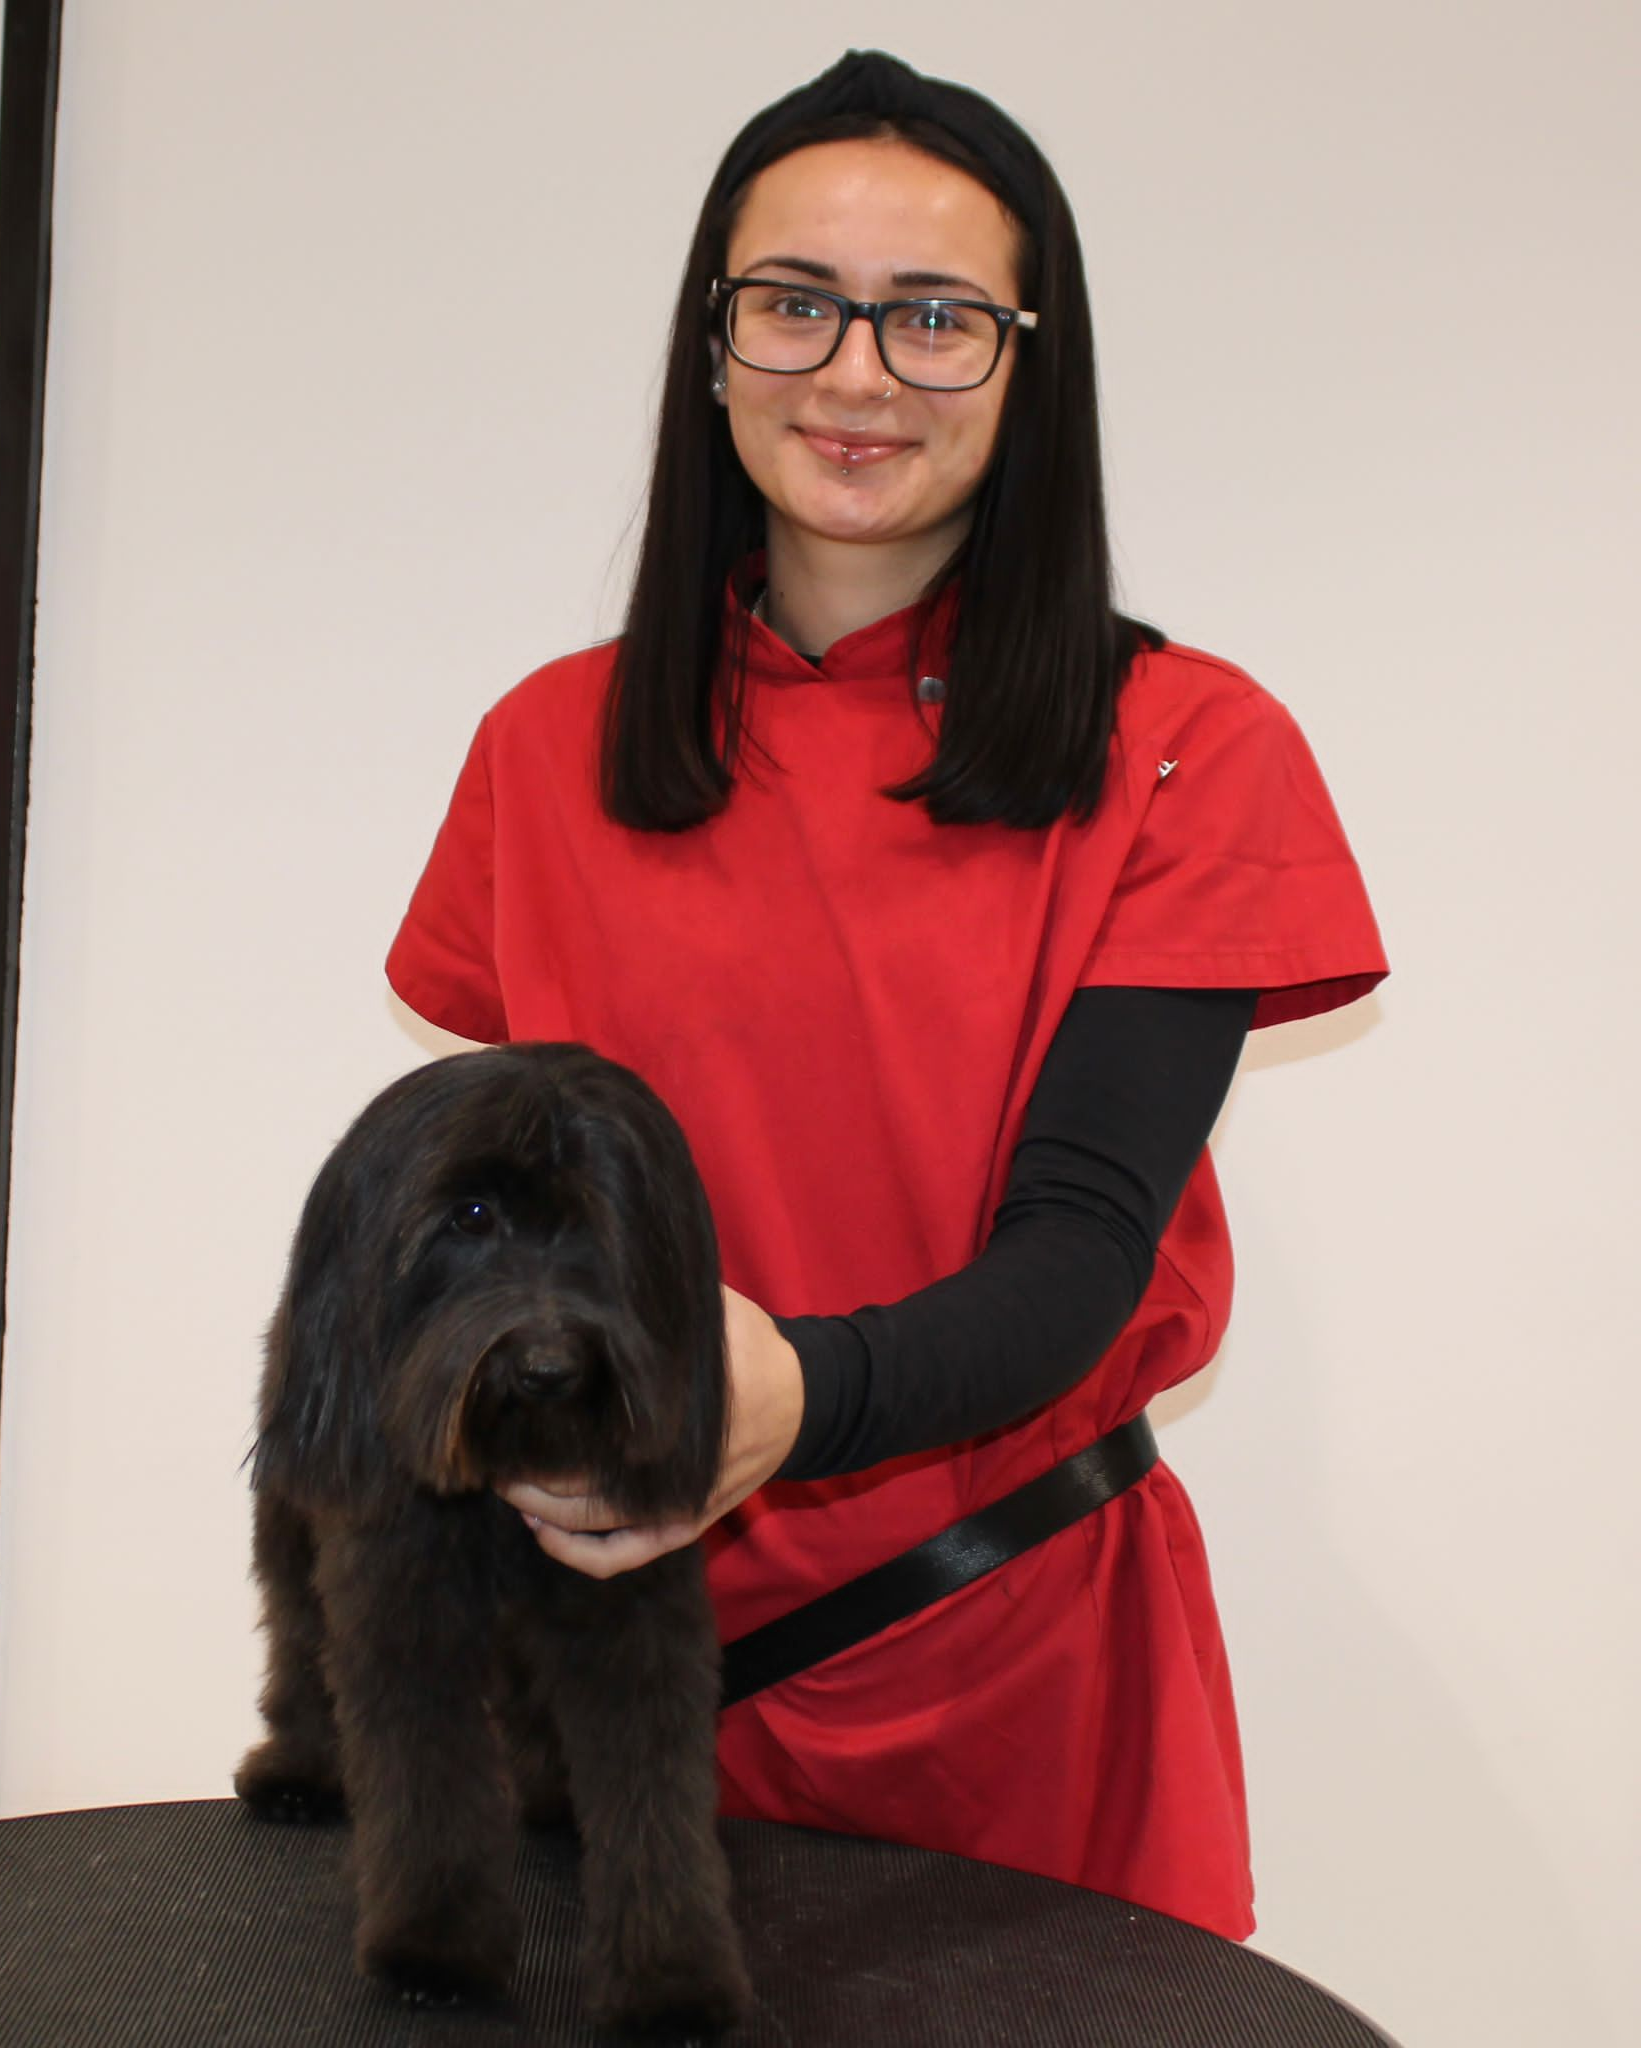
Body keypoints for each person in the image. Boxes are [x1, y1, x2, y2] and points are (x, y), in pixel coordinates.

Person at [384, 49, 1387, 1941]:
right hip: (604, 1687)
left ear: (1030, 361)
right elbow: (513, 1241)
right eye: (796, 307)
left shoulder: (1187, 748)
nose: (855, 376)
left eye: (935, 318)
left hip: (1017, 1685)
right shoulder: (542, 751)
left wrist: (797, 1398)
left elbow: (1084, 1256)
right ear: (713, 341)